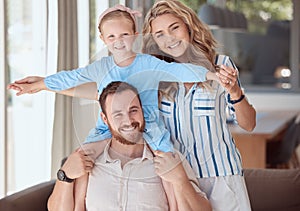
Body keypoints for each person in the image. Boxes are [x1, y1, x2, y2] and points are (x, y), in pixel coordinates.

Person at [7, 4, 218, 153]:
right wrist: (40, 84)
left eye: (124, 35)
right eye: (111, 37)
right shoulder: (101, 68)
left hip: (149, 126)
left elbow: (180, 72)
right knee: (82, 157)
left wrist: (209, 74)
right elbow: (71, 78)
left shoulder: (149, 63)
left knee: (169, 162)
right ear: (103, 39)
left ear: (135, 33)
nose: (119, 42)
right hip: (107, 128)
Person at [142, 0, 256, 211]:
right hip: (180, 180)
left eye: (174, 27)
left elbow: (248, 124)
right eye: (159, 34)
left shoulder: (220, 65)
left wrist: (235, 92)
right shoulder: (155, 77)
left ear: (188, 25)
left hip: (222, 176)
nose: (169, 38)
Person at [47, 81, 212, 211]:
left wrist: (181, 180)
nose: (128, 121)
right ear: (105, 119)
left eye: (133, 110)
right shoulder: (86, 160)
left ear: (142, 111)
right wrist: (65, 176)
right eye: (118, 114)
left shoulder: (169, 159)